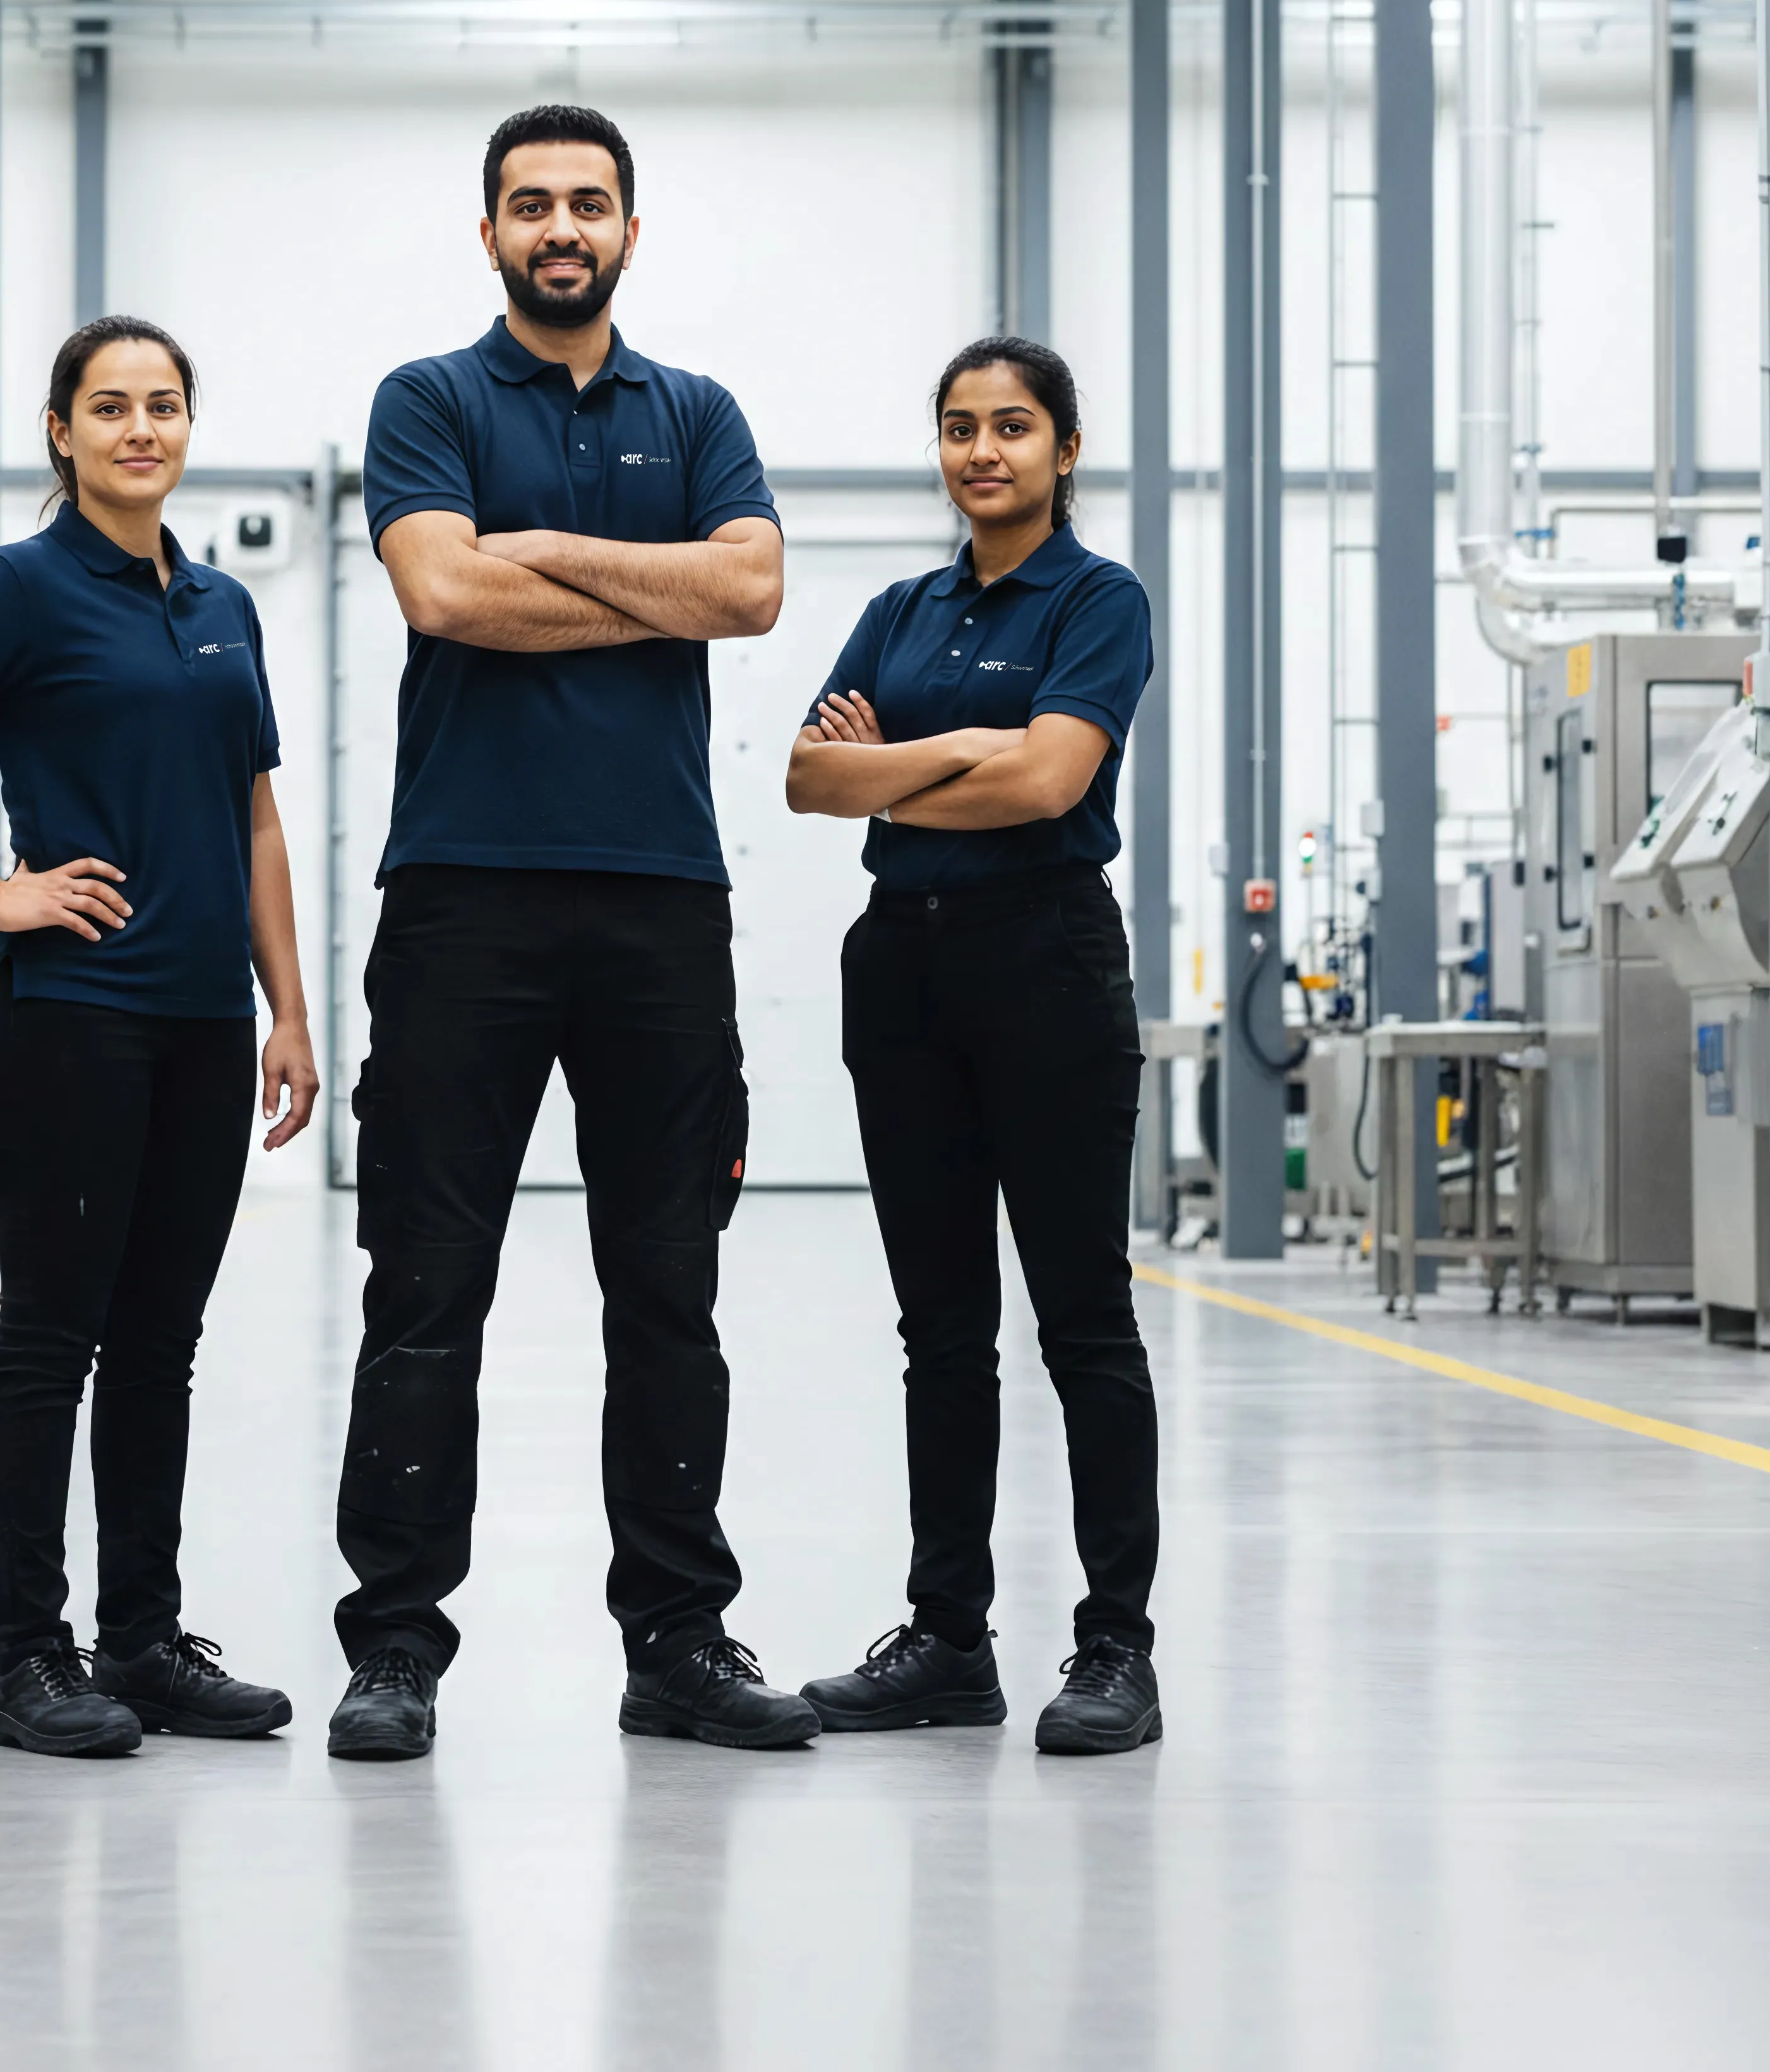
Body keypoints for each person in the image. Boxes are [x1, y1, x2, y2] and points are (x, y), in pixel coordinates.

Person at [325, 102, 820, 1761]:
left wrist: (535, 547)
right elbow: (444, 597)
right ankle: (394, 1647)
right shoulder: (431, 398)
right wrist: (641, 576)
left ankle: (679, 1639)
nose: (560, 227)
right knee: (426, 1287)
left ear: (627, 230)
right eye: (530, 204)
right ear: (489, 235)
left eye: (588, 204)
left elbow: (753, 596)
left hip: (662, 898)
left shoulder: (701, 410)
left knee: (669, 1289)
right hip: (465, 892)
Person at [0, 315, 319, 1759]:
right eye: (108, 407)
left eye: (163, 405)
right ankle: (28, 1658)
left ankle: (144, 1639)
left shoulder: (222, 603)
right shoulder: (22, 586)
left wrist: (288, 1005)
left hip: (197, 1018)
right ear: (61, 431)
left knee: (159, 1343)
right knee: (54, 1332)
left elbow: (253, 814)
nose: (138, 430)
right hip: (69, 1013)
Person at [784, 336, 1163, 1756]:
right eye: (957, 427)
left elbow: (1054, 778)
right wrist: (969, 759)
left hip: (1044, 959)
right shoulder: (900, 605)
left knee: (1080, 1316)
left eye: (1011, 426)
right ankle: (947, 1636)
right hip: (902, 970)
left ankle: (1113, 1645)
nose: (980, 450)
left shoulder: (1098, 599)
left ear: (1064, 450)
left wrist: (904, 769)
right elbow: (811, 778)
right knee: (937, 1326)